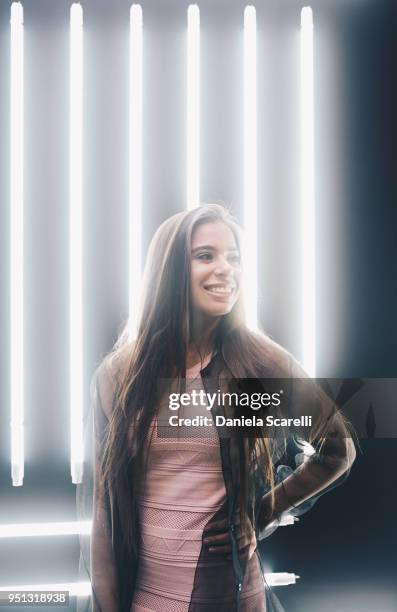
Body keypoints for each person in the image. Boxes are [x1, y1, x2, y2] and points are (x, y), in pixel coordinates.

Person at [77, 203, 356, 612]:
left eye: (235, 257)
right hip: (146, 600)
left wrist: (264, 511)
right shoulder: (118, 375)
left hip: (229, 597)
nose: (226, 268)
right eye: (205, 255)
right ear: (169, 271)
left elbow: (338, 447)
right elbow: (101, 515)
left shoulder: (261, 363)